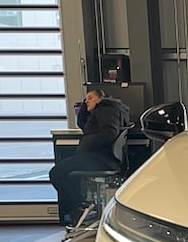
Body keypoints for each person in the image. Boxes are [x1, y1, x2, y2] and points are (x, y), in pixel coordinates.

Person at [49, 88, 130, 224]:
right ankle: (80, 209)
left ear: (101, 99)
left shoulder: (105, 110)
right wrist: (84, 107)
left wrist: (86, 143)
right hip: (102, 158)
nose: (86, 101)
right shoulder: (107, 110)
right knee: (66, 173)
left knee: (56, 173)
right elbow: (83, 125)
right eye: (85, 99)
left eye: (90, 98)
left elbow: (109, 133)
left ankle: (78, 210)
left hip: (99, 159)